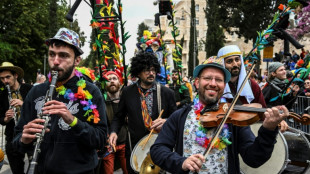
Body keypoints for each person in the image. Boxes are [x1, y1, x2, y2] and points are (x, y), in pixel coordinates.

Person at [150, 57, 289, 174]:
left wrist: (268, 130)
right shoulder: (179, 116)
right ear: (197, 83)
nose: (213, 84)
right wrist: (181, 162)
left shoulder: (233, 118)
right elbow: (157, 150)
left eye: (219, 80)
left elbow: (254, 159)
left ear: (224, 85)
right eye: (208, 78)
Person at [13, 28, 108, 174]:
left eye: (63, 56)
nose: (55, 61)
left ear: (77, 60)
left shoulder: (91, 92)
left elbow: (101, 140)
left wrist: (73, 121)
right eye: (52, 54)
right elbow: (17, 141)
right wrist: (23, 140)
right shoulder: (36, 91)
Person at [109, 52, 177, 173]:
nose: (151, 73)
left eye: (153, 70)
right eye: (147, 70)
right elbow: (119, 117)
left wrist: (166, 121)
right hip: (135, 149)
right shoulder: (127, 92)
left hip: (160, 148)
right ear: (138, 72)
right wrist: (113, 132)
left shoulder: (167, 93)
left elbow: (177, 120)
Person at [0, 62, 32, 174]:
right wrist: (6, 118)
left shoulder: (30, 89)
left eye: (8, 77)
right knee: (16, 170)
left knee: (36, 167)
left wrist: (23, 104)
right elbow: (1, 119)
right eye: (2, 78)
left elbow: (40, 109)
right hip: (12, 135)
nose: (5, 81)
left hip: (31, 132)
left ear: (16, 76)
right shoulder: (2, 95)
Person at [101, 71, 128, 174]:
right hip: (108, 145)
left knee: (128, 170)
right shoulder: (102, 101)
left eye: (114, 78)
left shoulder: (126, 99)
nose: (111, 81)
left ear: (119, 82)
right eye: (108, 79)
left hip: (124, 143)